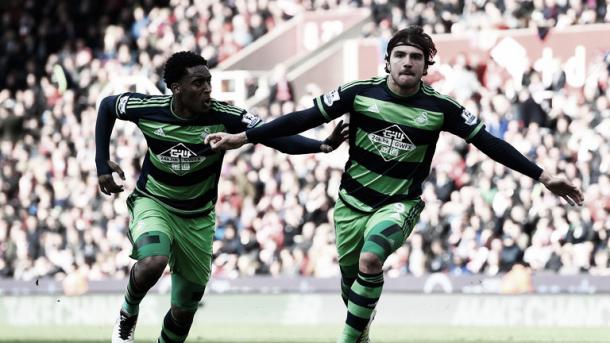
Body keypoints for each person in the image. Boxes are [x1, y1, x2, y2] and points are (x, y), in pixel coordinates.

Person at [204, 26, 584, 343]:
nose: (407, 62)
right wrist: (246, 137)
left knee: (371, 259)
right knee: (352, 286)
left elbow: (490, 143)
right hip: (350, 203)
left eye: (416, 57)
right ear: (387, 60)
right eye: (400, 55)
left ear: (426, 66)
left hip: (398, 204)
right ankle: (362, 330)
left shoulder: (441, 108)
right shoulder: (359, 92)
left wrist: (544, 176)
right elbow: (300, 118)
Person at [95, 51, 347, 343]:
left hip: (197, 217)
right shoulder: (147, 108)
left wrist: (320, 146)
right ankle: (128, 314)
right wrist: (102, 161)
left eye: (209, 82)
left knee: (183, 310)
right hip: (155, 202)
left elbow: (273, 136)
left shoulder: (226, 116)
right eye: (198, 82)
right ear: (177, 88)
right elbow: (107, 106)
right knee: (153, 260)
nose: (207, 89)